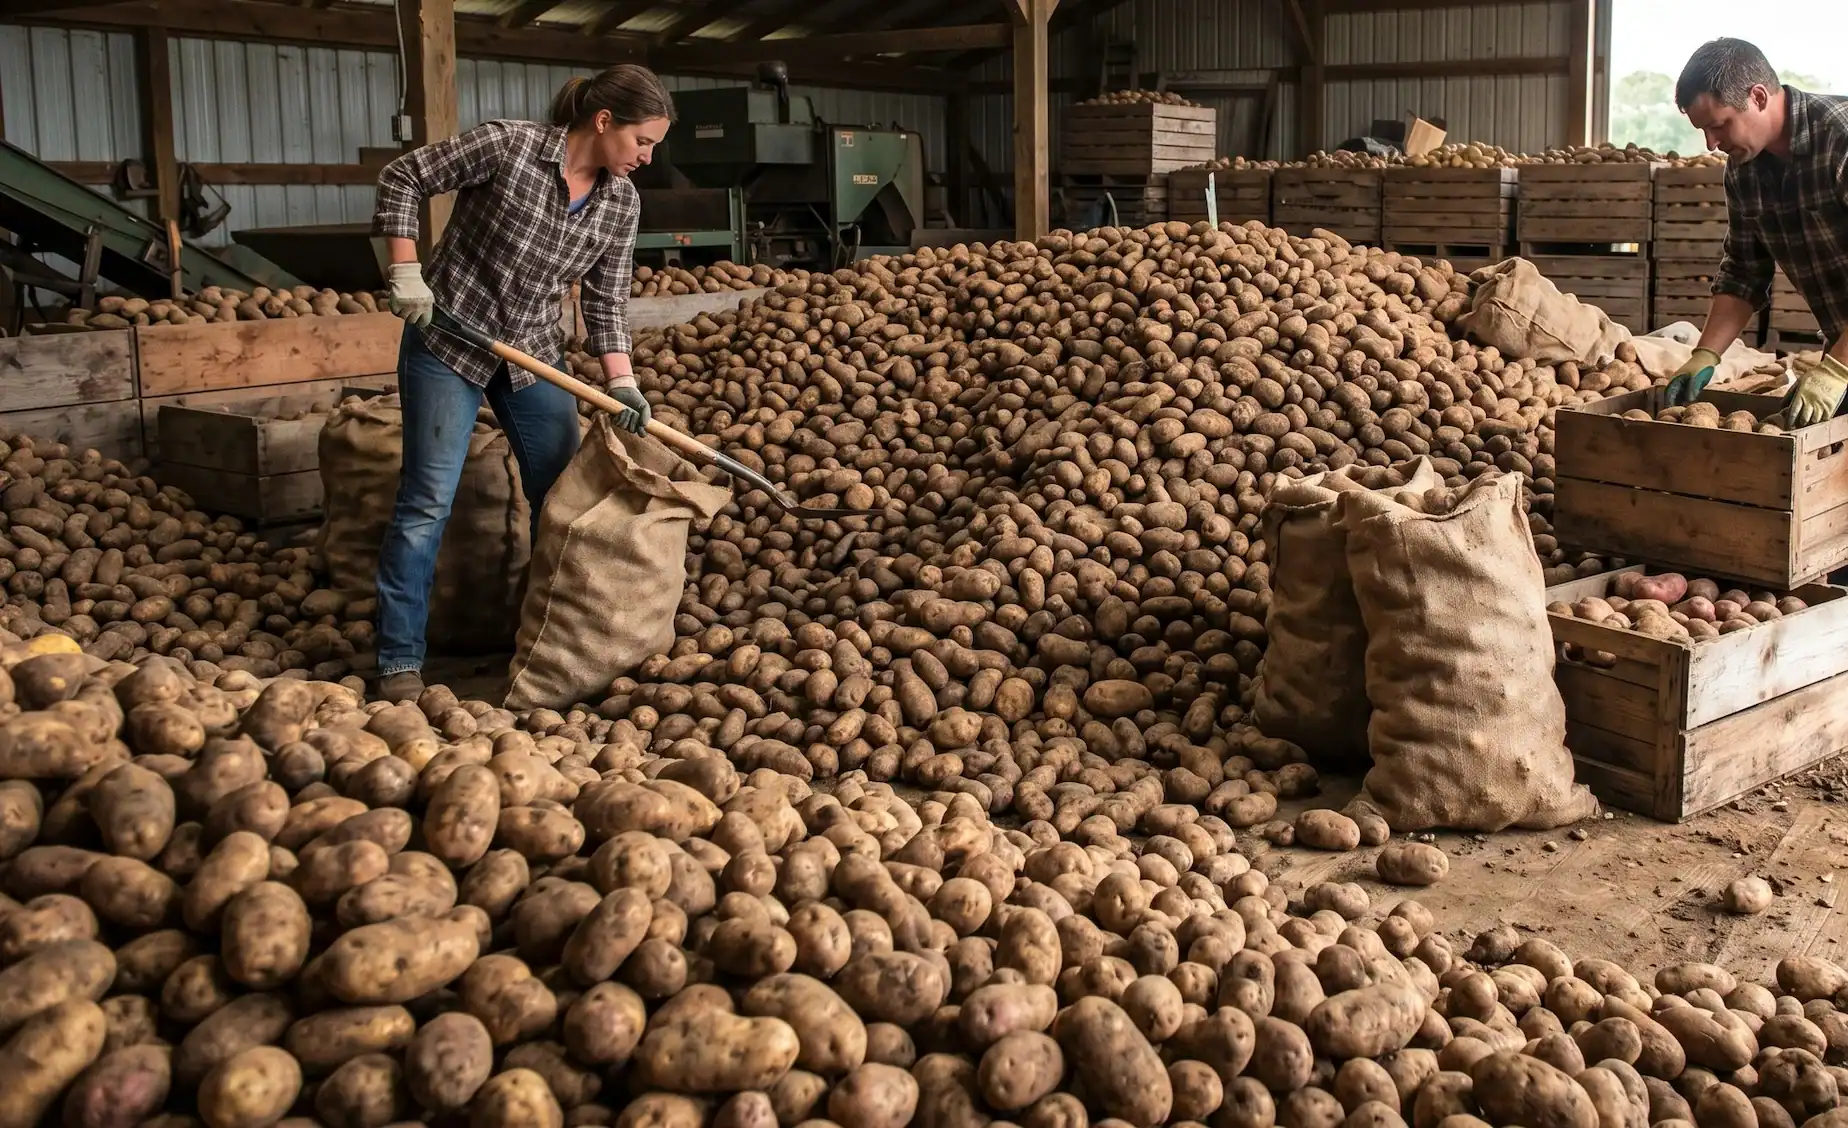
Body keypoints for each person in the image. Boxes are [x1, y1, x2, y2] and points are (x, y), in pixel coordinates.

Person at [368, 65, 673, 702]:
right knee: (427, 502)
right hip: (448, 339)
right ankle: (399, 660)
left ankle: (547, 644)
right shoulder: (508, 146)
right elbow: (404, 177)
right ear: (603, 122)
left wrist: (622, 382)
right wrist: (404, 270)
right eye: (643, 141)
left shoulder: (621, 203)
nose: (648, 157)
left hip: (533, 353)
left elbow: (607, 301)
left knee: (561, 497)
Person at [1662, 39, 1848, 427]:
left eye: (1717, 125)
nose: (1711, 144)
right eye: (1703, 131)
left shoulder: (1840, 138)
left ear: (1759, 97)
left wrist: (1837, 371)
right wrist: (1705, 355)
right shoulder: (1743, 172)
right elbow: (1744, 273)